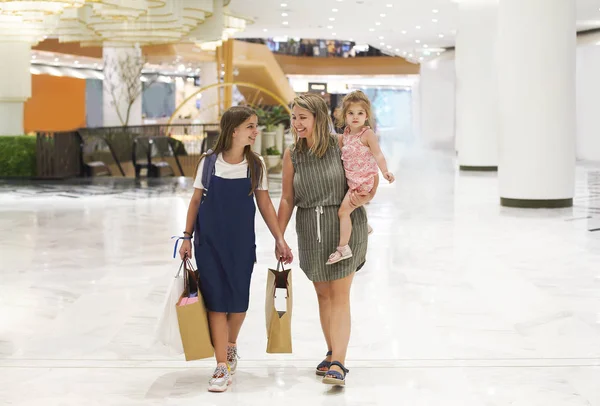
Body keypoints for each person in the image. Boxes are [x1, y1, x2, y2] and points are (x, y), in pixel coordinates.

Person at [178, 106, 293, 393]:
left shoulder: (256, 165)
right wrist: (186, 237)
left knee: (238, 302)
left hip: (241, 244)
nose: (256, 132)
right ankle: (220, 365)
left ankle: (230, 345)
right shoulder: (208, 162)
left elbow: (265, 205)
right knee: (216, 303)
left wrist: (280, 238)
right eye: (251, 126)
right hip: (210, 244)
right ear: (234, 131)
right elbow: (195, 202)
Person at [277, 94, 378, 386]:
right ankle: (332, 349)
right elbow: (287, 198)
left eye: (302, 118)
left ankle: (339, 363)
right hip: (310, 228)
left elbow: (367, 173)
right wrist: (279, 237)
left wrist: (367, 195)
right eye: (294, 118)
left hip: (344, 228)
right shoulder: (292, 154)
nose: (296, 124)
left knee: (339, 295)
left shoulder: (342, 144)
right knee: (323, 295)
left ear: (319, 119)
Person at [326, 90, 394, 265]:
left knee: (343, 212)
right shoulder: (347, 134)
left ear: (366, 116)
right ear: (344, 115)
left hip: (363, 183)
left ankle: (343, 248)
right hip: (352, 182)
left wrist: (385, 171)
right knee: (350, 208)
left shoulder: (367, 134)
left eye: (360, 113)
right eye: (351, 113)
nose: (355, 117)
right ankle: (364, 226)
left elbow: (378, 154)